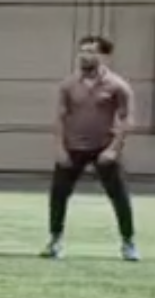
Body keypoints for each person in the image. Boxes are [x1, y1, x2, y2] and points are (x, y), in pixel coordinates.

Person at [45, 34, 137, 261]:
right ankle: (55, 241)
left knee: (120, 196)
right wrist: (59, 148)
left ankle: (128, 243)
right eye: (83, 51)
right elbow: (59, 117)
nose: (85, 55)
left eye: (91, 51)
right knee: (58, 194)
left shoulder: (118, 85)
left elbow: (127, 119)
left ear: (103, 56)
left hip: (103, 148)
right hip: (72, 147)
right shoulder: (67, 85)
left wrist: (114, 148)